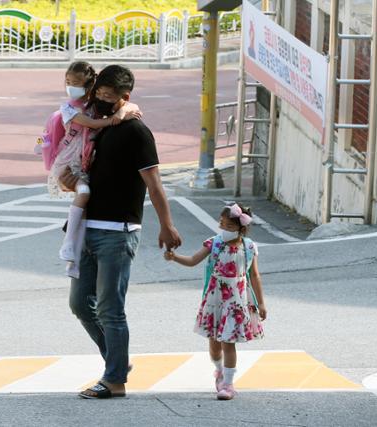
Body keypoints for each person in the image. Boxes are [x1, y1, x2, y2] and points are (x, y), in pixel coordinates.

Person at [59, 64, 182, 399]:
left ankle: (114, 379)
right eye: (98, 92)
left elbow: (154, 184)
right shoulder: (99, 129)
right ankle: (117, 362)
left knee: (111, 308)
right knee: (81, 305)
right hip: (87, 228)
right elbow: (90, 176)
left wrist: (167, 225)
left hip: (118, 231)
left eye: (108, 96)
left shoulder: (136, 131)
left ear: (125, 97)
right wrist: (69, 184)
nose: (100, 99)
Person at [164, 203, 267, 400]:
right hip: (215, 298)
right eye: (222, 225)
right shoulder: (214, 243)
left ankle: (228, 385)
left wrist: (261, 303)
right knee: (214, 344)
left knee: (228, 342)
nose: (224, 230)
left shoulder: (249, 247)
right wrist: (174, 257)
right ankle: (219, 371)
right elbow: (193, 260)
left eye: (229, 226)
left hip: (236, 300)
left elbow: (255, 276)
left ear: (240, 229)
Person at [47, 61, 141, 278]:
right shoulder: (69, 109)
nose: (71, 87)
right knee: (84, 193)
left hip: (83, 163)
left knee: (86, 212)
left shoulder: (93, 106)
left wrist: (126, 109)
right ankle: (68, 244)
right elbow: (91, 125)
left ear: (90, 86)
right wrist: (116, 119)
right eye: (68, 82)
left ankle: (73, 261)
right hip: (68, 163)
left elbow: (132, 105)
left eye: (77, 83)